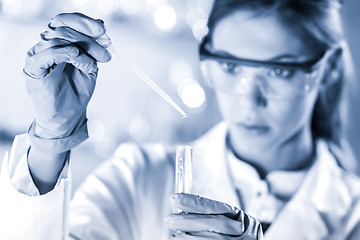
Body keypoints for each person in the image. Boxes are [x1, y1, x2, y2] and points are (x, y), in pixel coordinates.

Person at [1, 0, 360, 239]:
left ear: (326, 69)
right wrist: (52, 135)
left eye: (279, 71)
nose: (249, 99)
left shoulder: (352, 216)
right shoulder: (138, 176)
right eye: (231, 66)